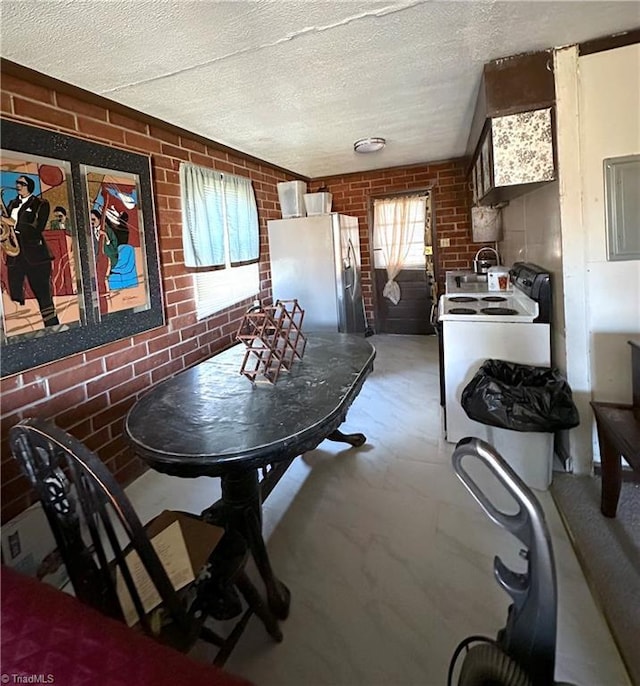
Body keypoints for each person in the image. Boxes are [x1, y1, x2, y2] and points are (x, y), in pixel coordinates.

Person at [4, 175, 59, 327]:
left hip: (36, 257)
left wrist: (14, 224)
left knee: (43, 295)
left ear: (29, 186)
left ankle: (52, 327)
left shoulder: (40, 203)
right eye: (17, 182)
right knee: (16, 294)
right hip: (15, 256)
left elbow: (37, 227)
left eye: (21, 183)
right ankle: (23, 329)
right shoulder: (12, 203)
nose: (17, 185)